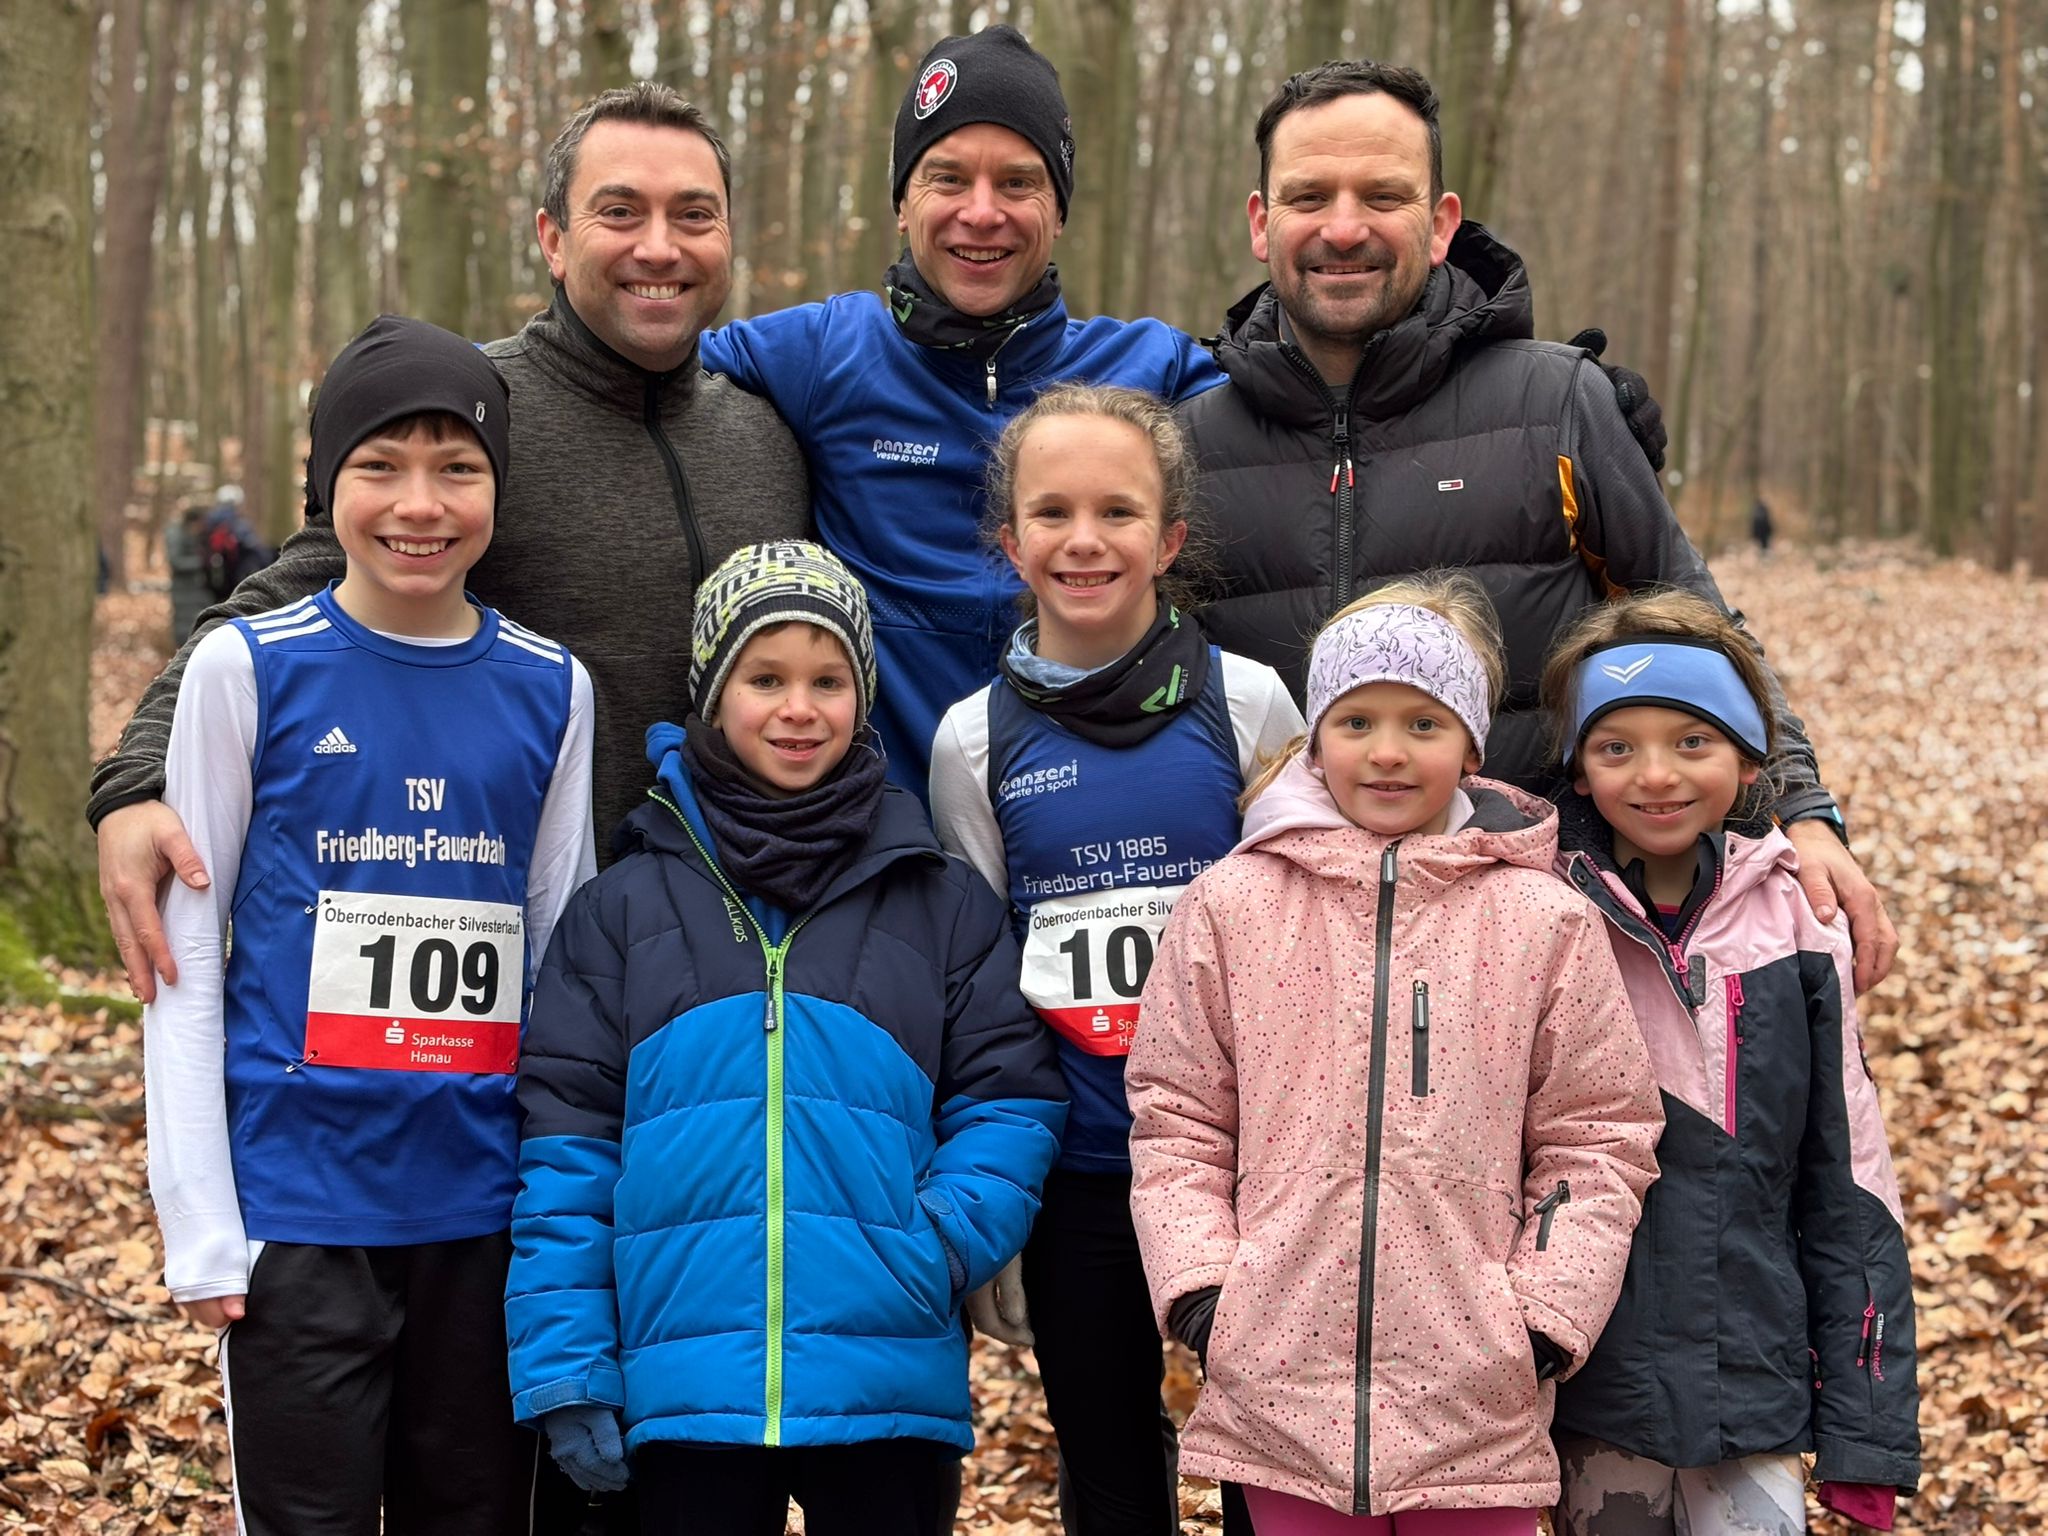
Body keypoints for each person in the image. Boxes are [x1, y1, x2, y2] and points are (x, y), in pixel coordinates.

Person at [1178, 59, 1900, 996]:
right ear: (1260, 221)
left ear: (1441, 223)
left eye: (1383, 196)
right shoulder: (1187, 447)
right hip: (1283, 969)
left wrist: (1802, 811)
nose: (1344, 228)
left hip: (1539, 958)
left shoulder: (1558, 403)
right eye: (1309, 196)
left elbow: (1699, 632)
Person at [92, 83, 809, 1006]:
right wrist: (134, 782)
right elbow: (274, 604)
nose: (660, 246)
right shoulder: (472, 424)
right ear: (553, 239)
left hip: (749, 964)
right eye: (621, 211)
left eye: (694, 215)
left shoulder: (771, 437)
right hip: (516, 964)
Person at [505, 541, 1067, 1534]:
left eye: (827, 681)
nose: (798, 709)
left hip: (884, 1376)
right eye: (765, 679)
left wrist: (933, 1247)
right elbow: (566, 1153)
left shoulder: (937, 900)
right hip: (683, 1387)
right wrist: (567, 1365)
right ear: (712, 693)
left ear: (863, 696)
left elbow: (1010, 1099)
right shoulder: (620, 910)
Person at [141, 315, 597, 1535]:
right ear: (324, 485)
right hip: (298, 1216)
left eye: (458, 468)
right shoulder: (245, 669)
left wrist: (565, 1213)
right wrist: (200, 1222)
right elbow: (184, 966)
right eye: (380, 466)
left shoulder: (553, 686)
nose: (420, 504)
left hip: (486, 1218)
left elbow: (560, 957)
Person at [1125, 575, 1664, 1534]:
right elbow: (1178, 1119)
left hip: (1477, 1398)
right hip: (1280, 1389)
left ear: (1471, 746)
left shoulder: (1544, 920)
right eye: (1356, 721)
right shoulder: (1230, 907)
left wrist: (1543, 1316)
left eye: (1423, 723)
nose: (1386, 751)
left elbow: (1599, 1134)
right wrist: (1207, 1291)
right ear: (1315, 739)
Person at [928, 385, 1301, 1534]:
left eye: (1116, 512)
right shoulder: (970, 739)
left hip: (1245, 1164)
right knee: (1108, 1476)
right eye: (1051, 513)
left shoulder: (1249, 704)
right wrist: (997, 1195)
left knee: (1271, 1464)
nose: (1082, 540)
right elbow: (981, 979)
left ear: (1169, 538)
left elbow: (1310, 939)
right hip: (1080, 1168)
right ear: (1008, 542)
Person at [701, 26, 1220, 795]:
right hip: (883, 831)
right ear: (902, 204)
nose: (982, 213)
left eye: (1017, 183)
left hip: (1085, 824)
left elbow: (1302, 411)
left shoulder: (1150, 366)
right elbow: (637, 365)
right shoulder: (825, 351)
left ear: (1059, 209)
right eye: (947, 178)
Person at [1539, 590, 1918, 1535]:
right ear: (1578, 769)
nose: (1656, 774)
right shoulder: (1543, 917)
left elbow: (1851, 1185)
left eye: (1692, 741)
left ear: (1751, 761)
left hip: (1756, 1383)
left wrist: (1867, 1431)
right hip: (1593, 1388)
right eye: (1616, 746)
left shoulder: (1799, 924)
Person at [164, 500, 211, 647]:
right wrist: (201, 562)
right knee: (183, 625)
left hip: (194, 589)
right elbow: (176, 561)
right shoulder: (176, 534)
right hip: (182, 589)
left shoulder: (191, 535)